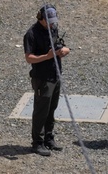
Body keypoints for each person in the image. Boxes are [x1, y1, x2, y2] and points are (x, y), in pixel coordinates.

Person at [24, 4, 70, 156]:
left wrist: (64, 50)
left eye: (53, 20)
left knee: (52, 109)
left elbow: (58, 45)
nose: (51, 23)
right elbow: (29, 58)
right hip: (42, 78)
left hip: (55, 75)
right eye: (48, 20)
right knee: (41, 111)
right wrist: (47, 56)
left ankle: (49, 138)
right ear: (40, 18)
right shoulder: (31, 34)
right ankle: (37, 142)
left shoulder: (53, 29)